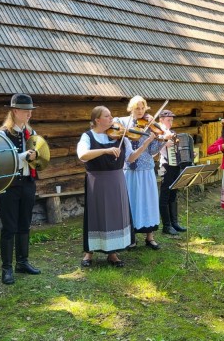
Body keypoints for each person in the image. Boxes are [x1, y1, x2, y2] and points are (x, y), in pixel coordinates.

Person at [77, 106, 156, 267]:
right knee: (96, 214)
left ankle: (112, 253)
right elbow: (83, 155)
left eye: (111, 115)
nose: (111, 118)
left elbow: (131, 158)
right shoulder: (88, 136)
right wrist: (106, 150)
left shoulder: (121, 138)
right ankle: (89, 253)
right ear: (97, 120)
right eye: (107, 116)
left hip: (117, 180)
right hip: (97, 181)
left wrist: (145, 143)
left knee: (115, 215)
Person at [0, 94, 41, 285]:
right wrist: (25, 156)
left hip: (28, 183)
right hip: (8, 185)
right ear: (15, 111)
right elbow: (2, 159)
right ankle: (6, 268)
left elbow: (38, 157)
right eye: (25, 110)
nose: (29, 113)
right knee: (9, 227)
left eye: (30, 110)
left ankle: (22, 262)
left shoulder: (31, 132)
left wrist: (37, 156)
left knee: (25, 223)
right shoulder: (3, 133)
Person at [115, 96, 164, 249]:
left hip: (146, 168)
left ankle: (150, 237)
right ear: (131, 109)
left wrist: (159, 139)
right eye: (137, 108)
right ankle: (131, 237)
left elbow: (153, 151)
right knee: (131, 202)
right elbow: (117, 135)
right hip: (129, 169)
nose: (140, 111)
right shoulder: (123, 122)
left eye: (143, 108)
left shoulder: (150, 125)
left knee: (148, 202)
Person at [157, 109, 186, 235]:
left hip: (175, 167)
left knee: (173, 194)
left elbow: (178, 150)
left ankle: (174, 223)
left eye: (172, 120)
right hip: (166, 166)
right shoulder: (158, 134)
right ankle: (166, 225)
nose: (171, 122)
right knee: (165, 196)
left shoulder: (173, 133)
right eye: (168, 120)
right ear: (161, 120)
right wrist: (163, 142)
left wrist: (187, 154)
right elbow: (154, 149)